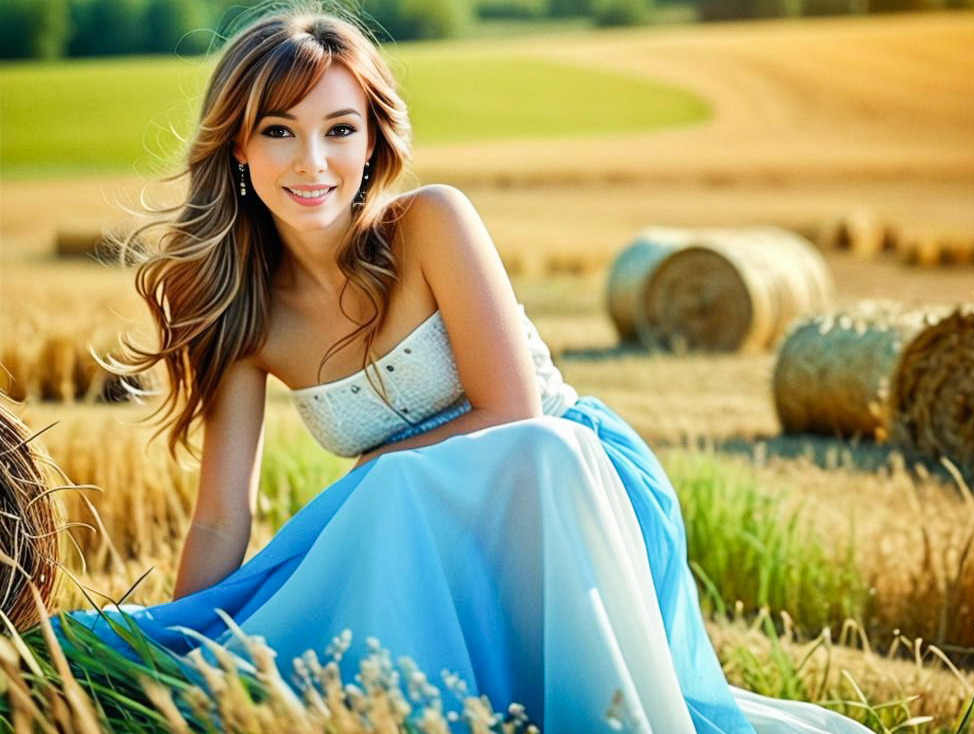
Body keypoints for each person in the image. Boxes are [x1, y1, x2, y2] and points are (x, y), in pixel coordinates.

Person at [50, 4, 875, 733]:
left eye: (340, 129)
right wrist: (181, 640)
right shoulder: (245, 314)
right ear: (238, 145)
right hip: (421, 528)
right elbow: (222, 520)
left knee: (415, 489)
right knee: (259, 640)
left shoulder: (431, 223)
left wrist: (371, 480)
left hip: (568, 486)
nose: (313, 163)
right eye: (280, 131)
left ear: (373, 141)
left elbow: (517, 417)